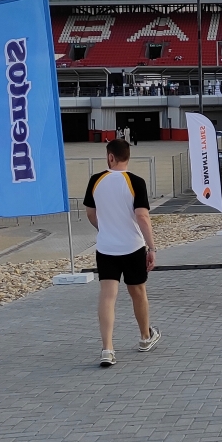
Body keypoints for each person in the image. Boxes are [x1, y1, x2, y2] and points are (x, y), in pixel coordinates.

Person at [85, 139, 160, 368]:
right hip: (133, 247)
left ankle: (107, 349)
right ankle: (145, 337)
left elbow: (90, 213)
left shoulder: (95, 180)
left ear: (110, 157)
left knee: (108, 296)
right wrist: (152, 247)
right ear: (127, 157)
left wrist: (105, 229)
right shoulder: (136, 182)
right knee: (138, 292)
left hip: (106, 248)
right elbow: (143, 217)